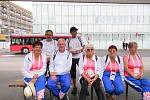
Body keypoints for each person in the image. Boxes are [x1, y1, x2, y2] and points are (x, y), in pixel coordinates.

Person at [66, 26, 85, 95]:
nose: (75, 32)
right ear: (71, 32)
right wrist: (71, 52)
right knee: (73, 73)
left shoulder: (80, 38)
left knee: (82, 72)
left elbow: (83, 47)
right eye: (73, 31)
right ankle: (75, 87)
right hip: (72, 58)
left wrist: (79, 51)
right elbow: (67, 49)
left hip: (80, 57)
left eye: (76, 31)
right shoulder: (68, 40)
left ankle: (84, 87)